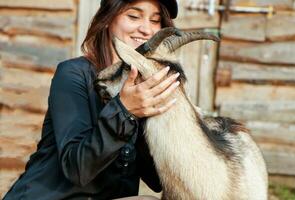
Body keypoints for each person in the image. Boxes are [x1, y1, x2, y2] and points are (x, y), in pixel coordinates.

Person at [3, 0, 179, 199]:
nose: (146, 29)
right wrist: (125, 111)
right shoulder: (73, 74)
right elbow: (78, 168)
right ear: (107, 19)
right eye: (133, 16)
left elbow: (157, 179)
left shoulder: (145, 91)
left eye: (155, 20)